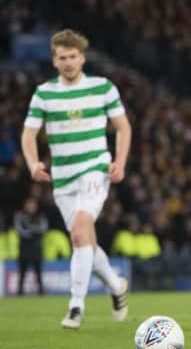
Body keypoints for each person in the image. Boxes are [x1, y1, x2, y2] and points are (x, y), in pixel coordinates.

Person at [21, 29, 131, 329]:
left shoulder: (102, 88)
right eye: (62, 58)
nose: (68, 62)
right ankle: (116, 284)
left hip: (95, 170)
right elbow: (29, 134)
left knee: (80, 232)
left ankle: (76, 307)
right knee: (85, 241)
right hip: (63, 178)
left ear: (82, 58)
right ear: (54, 61)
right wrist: (32, 163)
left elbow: (122, 127)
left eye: (72, 56)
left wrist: (119, 161)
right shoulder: (44, 93)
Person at [14, 197, 48, 295]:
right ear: (25, 205)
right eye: (29, 204)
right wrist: (33, 231)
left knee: (38, 272)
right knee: (22, 272)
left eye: (33, 205)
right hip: (24, 248)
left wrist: (30, 229)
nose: (31, 207)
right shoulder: (20, 216)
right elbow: (20, 230)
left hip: (36, 248)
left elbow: (43, 229)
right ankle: (20, 292)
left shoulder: (40, 216)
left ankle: (41, 292)